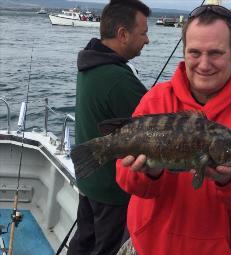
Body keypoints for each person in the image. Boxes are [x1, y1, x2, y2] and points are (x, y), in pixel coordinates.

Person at [116, 4, 231, 255]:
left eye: (215, 53)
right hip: (148, 247)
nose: (204, 64)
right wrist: (150, 172)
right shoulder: (156, 100)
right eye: (194, 53)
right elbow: (126, 179)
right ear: (184, 51)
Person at [67, 1, 150, 254]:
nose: (147, 40)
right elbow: (154, 124)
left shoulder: (90, 65)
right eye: (143, 32)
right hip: (111, 191)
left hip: (89, 180)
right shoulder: (116, 78)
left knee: (83, 243)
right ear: (123, 34)